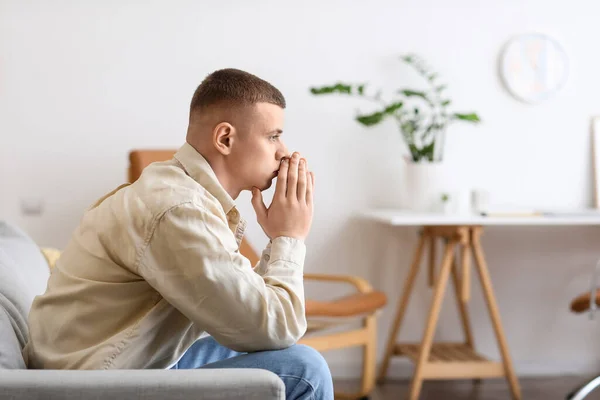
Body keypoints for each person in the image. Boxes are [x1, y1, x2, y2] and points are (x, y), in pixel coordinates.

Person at [24, 68, 334, 400]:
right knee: (304, 369)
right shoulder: (178, 210)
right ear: (225, 139)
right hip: (92, 384)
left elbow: (249, 311)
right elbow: (276, 328)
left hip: (133, 362)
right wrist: (290, 238)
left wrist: (277, 239)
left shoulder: (182, 193)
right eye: (273, 136)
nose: (283, 152)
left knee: (278, 356)